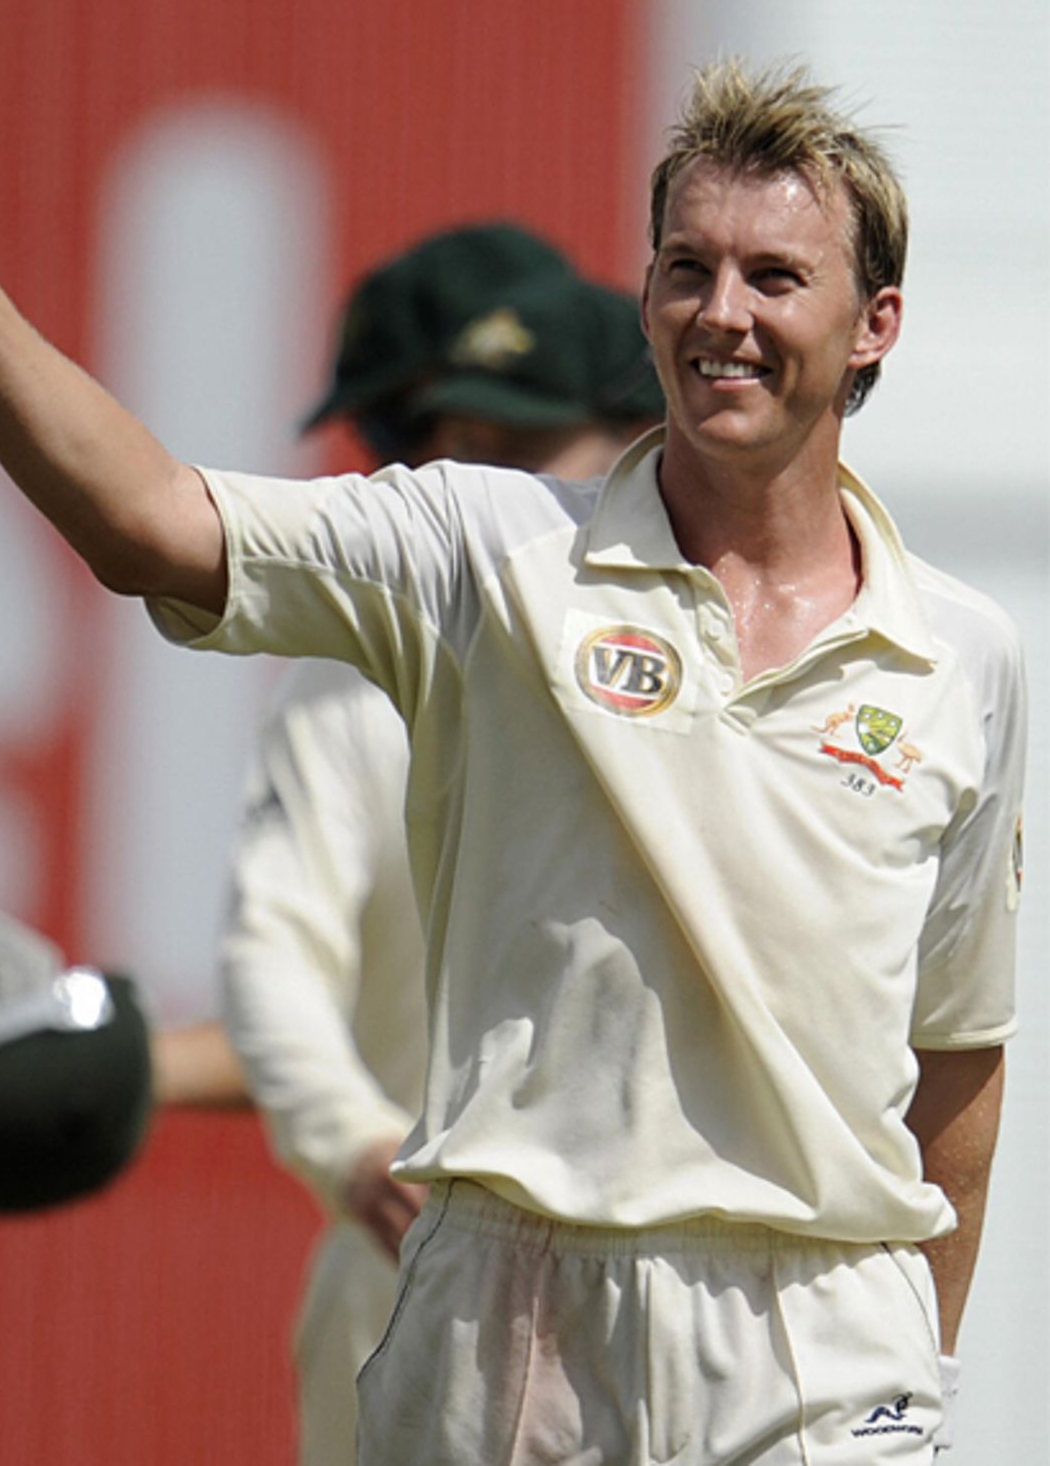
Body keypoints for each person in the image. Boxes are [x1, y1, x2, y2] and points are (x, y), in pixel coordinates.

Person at [0, 58, 1025, 1463]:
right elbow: (149, 522)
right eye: (686, 268)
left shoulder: (966, 654)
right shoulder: (481, 545)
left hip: (823, 1333)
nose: (722, 314)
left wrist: (913, 1365)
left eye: (772, 275)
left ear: (875, 325)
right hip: (516, 1319)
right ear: (644, 299)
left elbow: (958, 1056)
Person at [177, 227, 664, 1466]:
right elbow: (272, 954)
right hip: (416, 1289)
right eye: (405, 448)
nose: (450, 489)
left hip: (678, 1306)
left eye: (513, 447)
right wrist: (350, 1141)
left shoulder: (748, 659)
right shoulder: (346, 678)